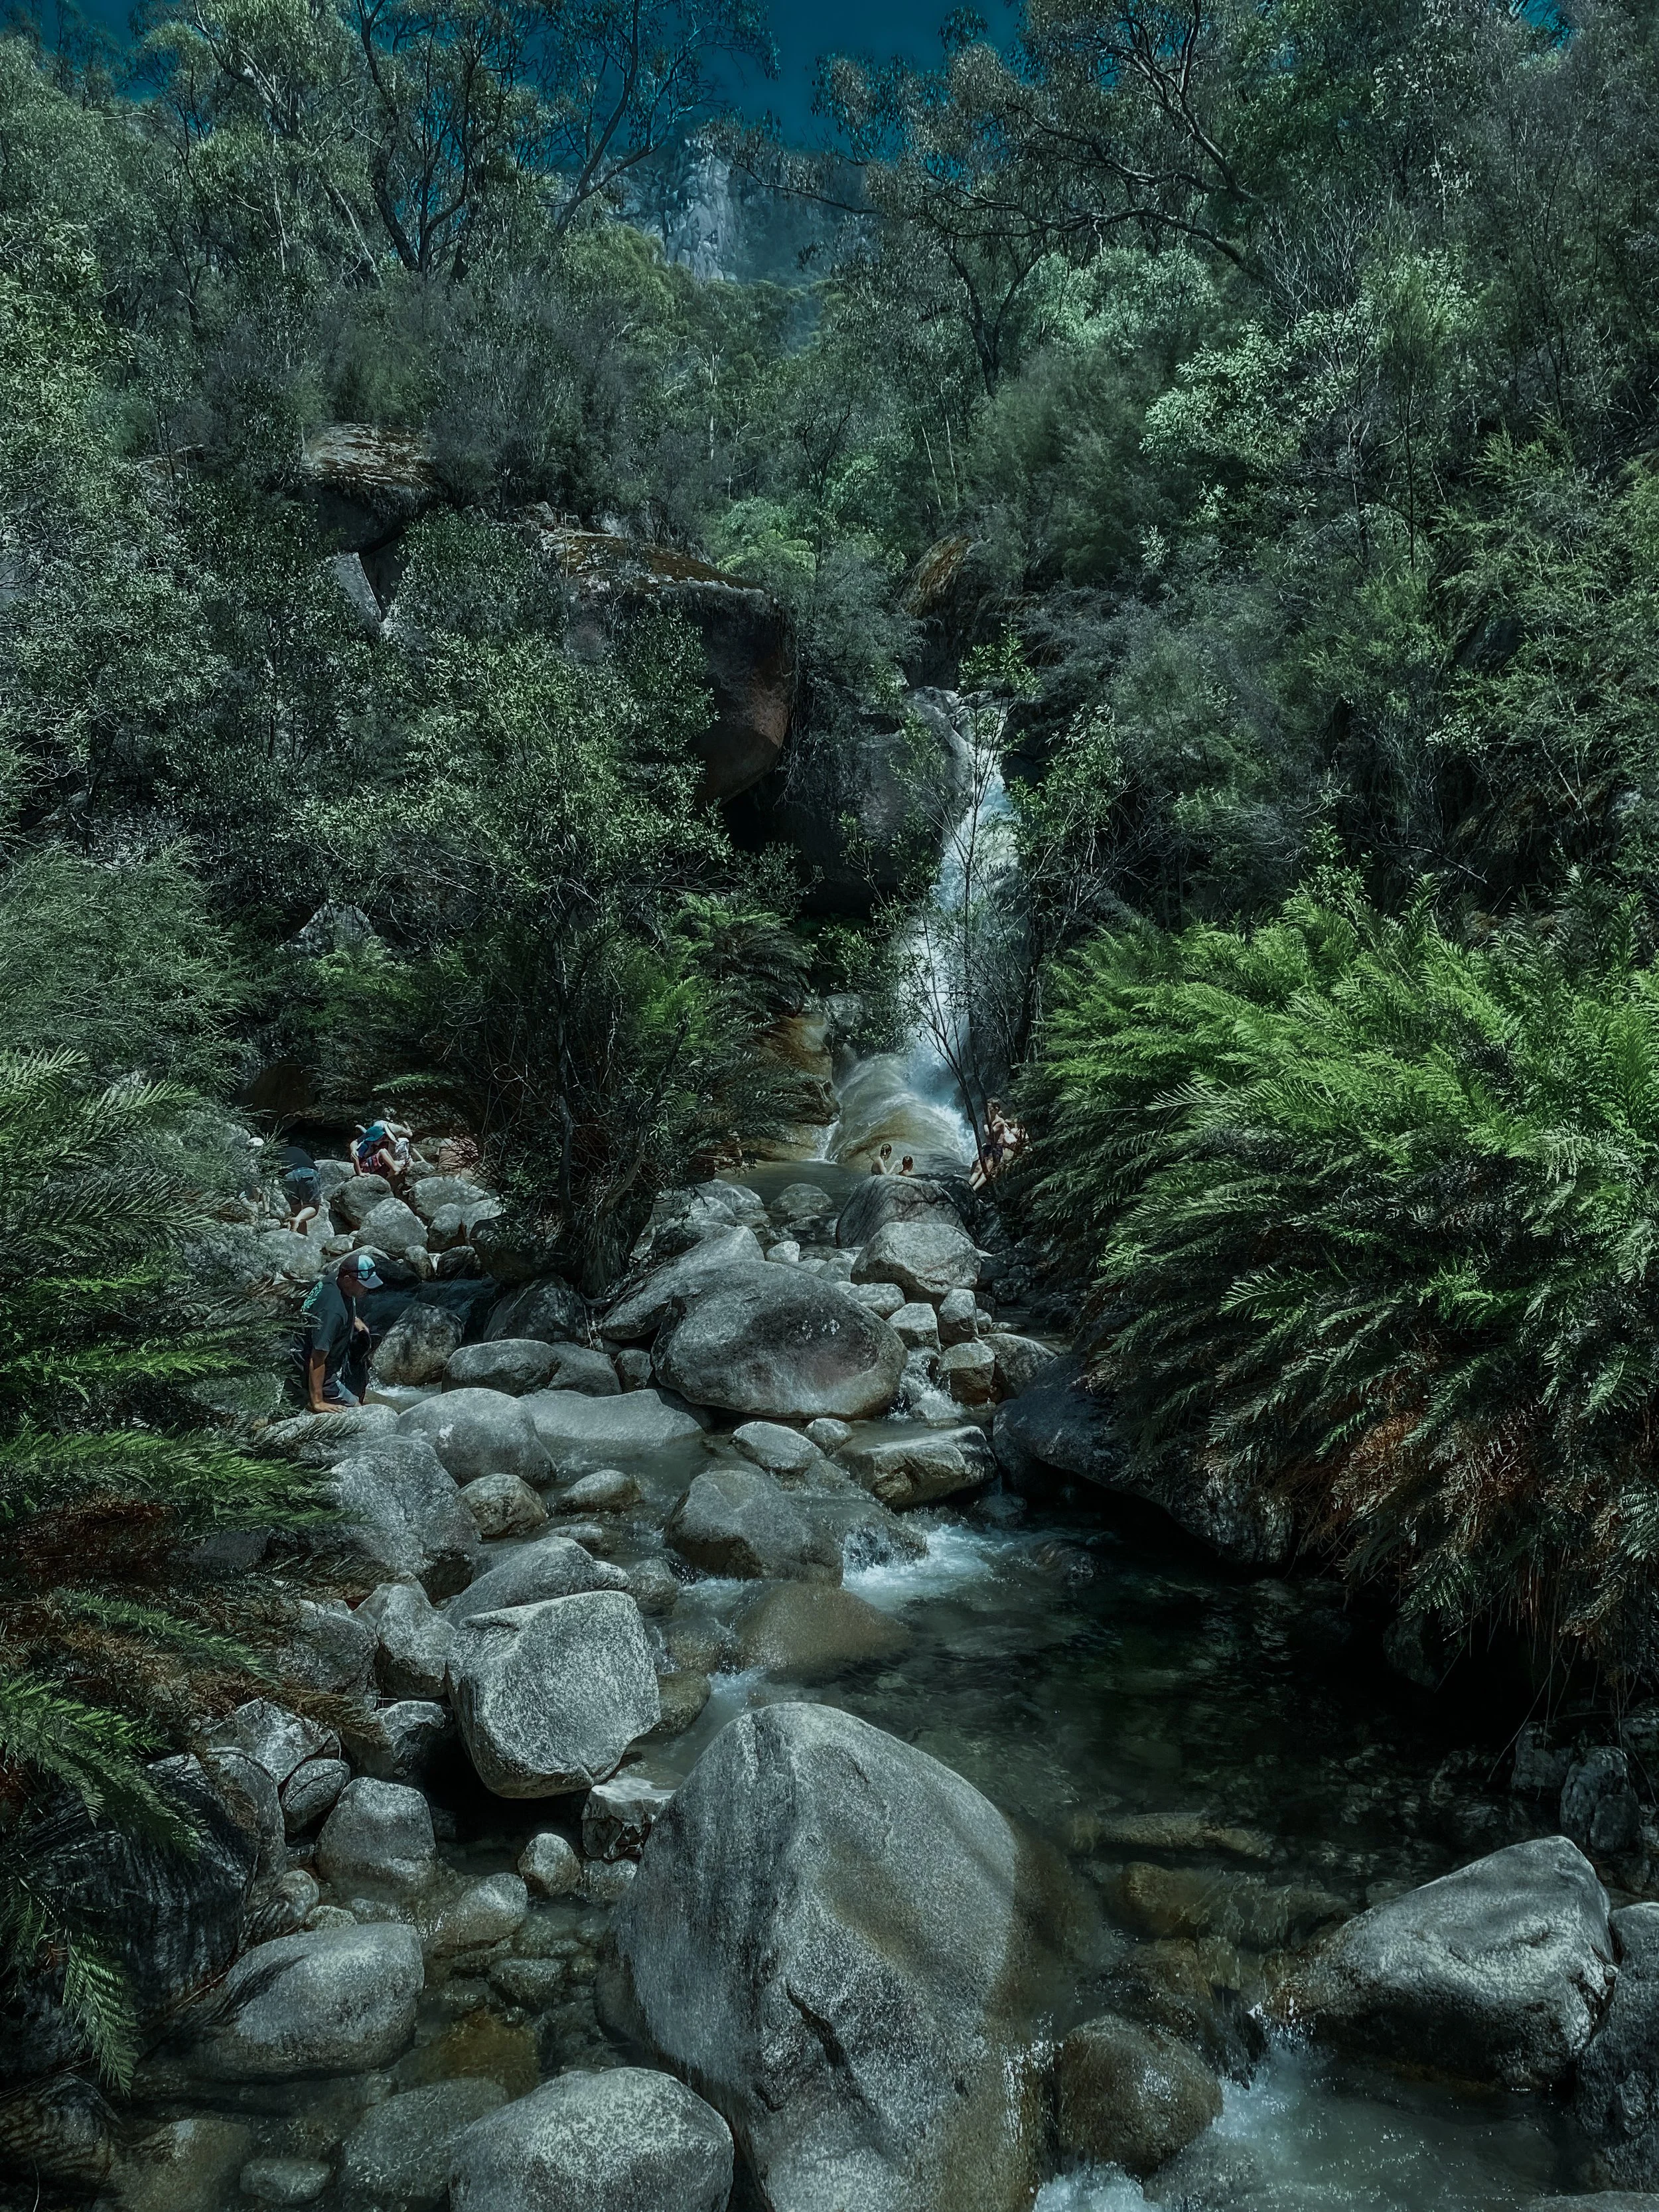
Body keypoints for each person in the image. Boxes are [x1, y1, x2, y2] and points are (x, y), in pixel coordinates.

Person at [300, 1252, 383, 1410]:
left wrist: (354, 1320)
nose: (368, 1289)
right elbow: (317, 1359)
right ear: (347, 1280)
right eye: (364, 1284)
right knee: (358, 1412)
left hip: (312, 1356)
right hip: (313, 1373)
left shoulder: (335, 1281)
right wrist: (318, 1402)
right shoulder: (332, 1312)